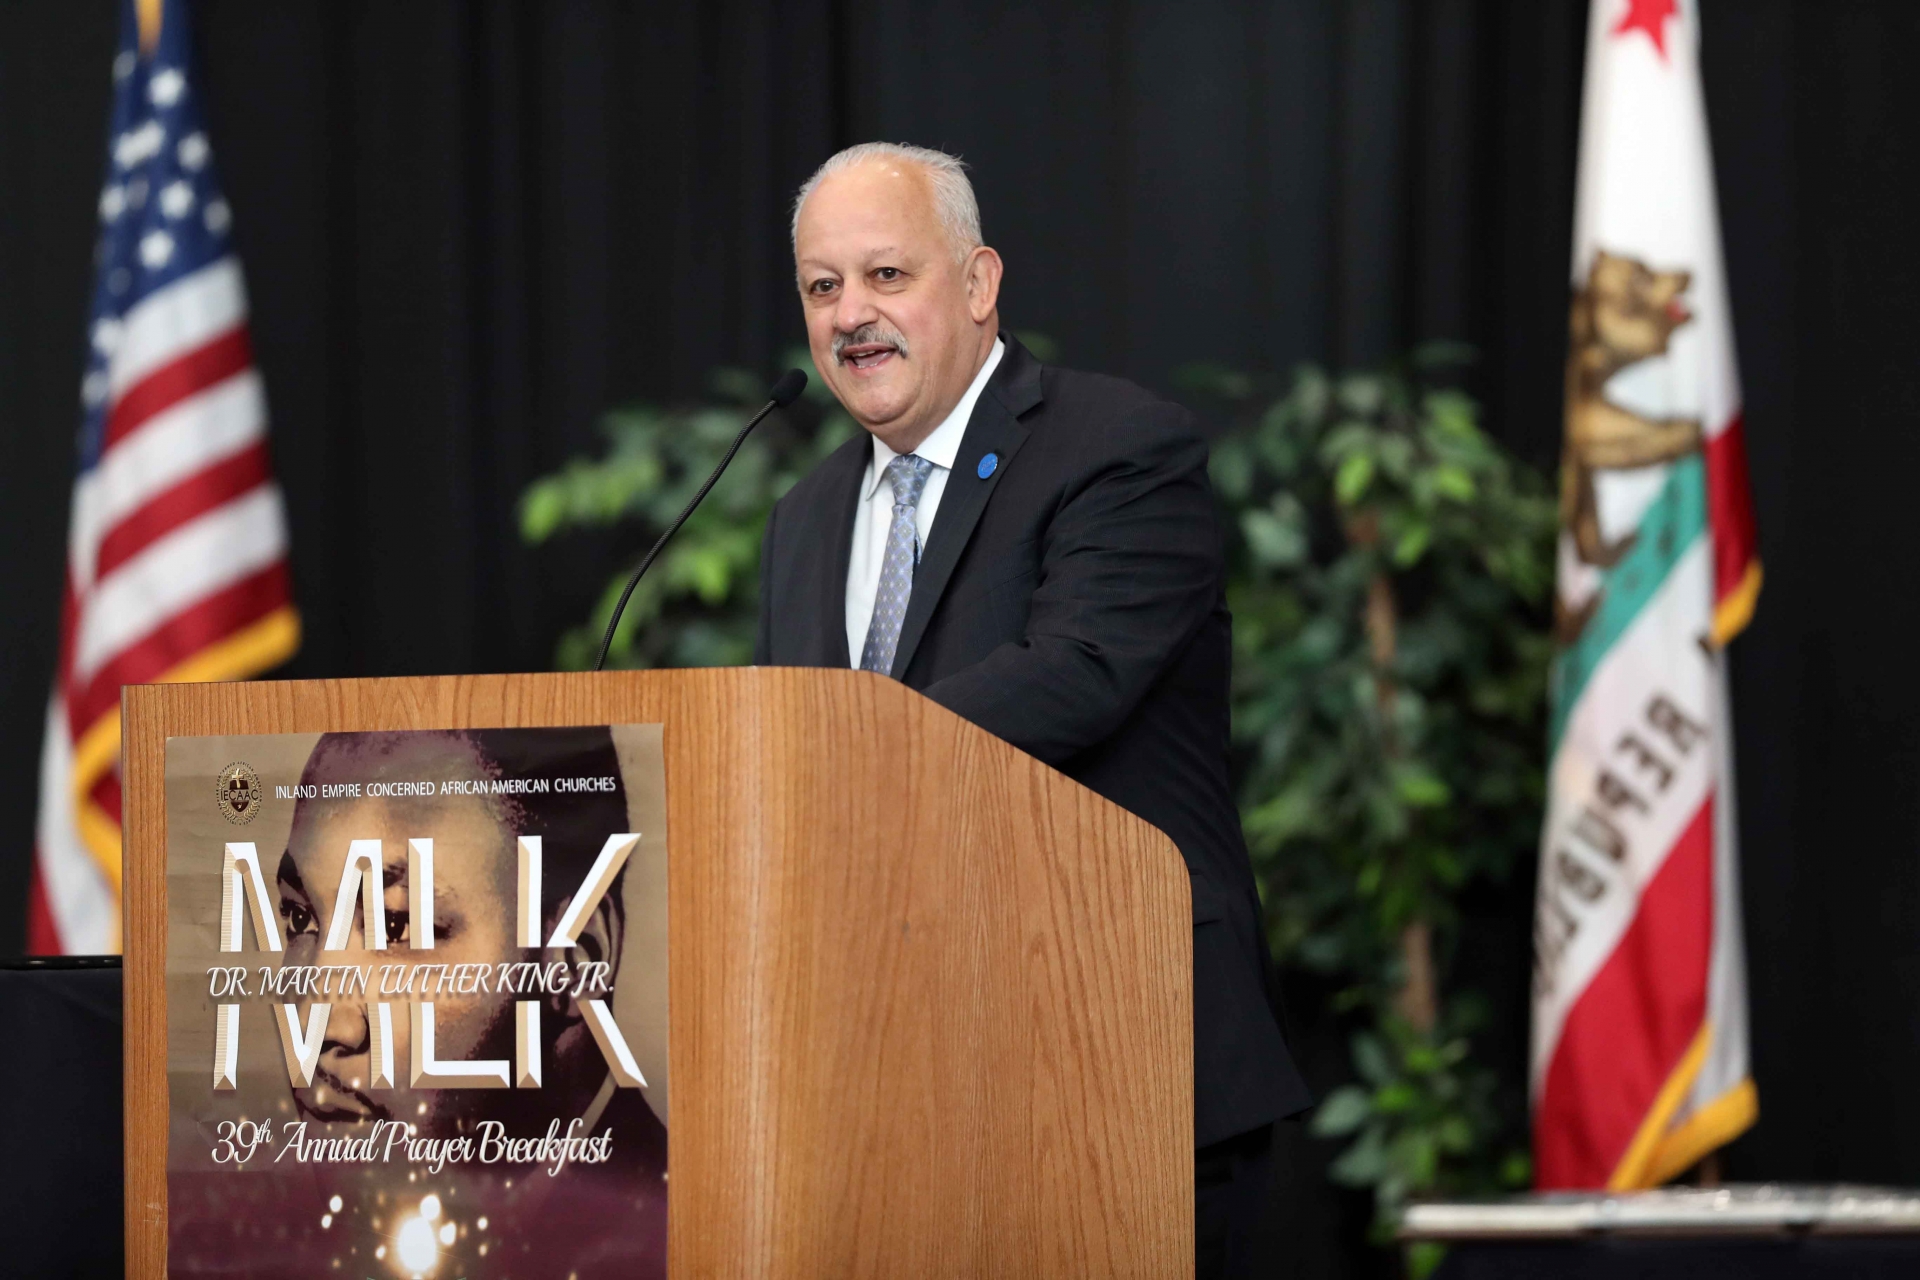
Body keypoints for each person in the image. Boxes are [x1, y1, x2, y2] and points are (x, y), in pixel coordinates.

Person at [756, 142, 1313, 1277]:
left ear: (977, 283)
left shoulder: (1117, 448)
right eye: (824, 287)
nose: (851, 315)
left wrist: (823, 753)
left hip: (1116, 1056)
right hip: (899, 1100)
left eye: (886, 276)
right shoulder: (805, 516)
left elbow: (1081, 669)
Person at [272, 727, 666, 1276]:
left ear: (576, 961)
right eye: (300, 919)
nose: (320, 1023)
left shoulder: (685, 1241)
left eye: (397, 924)